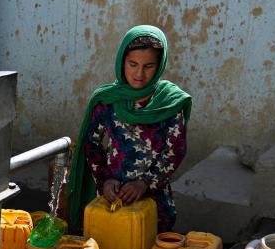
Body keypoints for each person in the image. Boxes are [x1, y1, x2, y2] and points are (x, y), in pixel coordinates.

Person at [67, 25, 192, 233]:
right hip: (112, 199)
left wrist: (145, 183)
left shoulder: (169, 102)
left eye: (149, 66)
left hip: (154, 204)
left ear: (160, 65)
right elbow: (92, 144)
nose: (139, 74)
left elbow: (174, 151)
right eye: (132, 64)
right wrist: (105, 180)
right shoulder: (108, 100)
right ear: (121, 61)